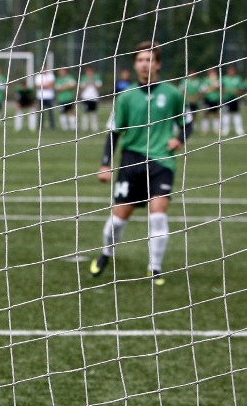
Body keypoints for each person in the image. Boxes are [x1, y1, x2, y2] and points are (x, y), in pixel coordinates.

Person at [90, 41, 193, 286]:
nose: (145, 64)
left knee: (158, 216)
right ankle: (107, 253)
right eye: (140, 60)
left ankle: (154, 268)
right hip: (131, 162)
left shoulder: (172, 94)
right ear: (135, 65)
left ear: (158, 64)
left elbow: (188, 121)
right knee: (117, 220)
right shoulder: (125, 97)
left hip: (162, 163)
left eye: (149, 60)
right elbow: (114, 133)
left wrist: (178, 139)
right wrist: (106, 164)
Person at [221, 66, 244, 137]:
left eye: (232, 71)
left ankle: (239, 130)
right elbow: (221, 88)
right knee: (226, 114)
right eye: (230, 71)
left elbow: (241, 89)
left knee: (236, 113)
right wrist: (225, 91)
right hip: (226, 99)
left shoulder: (238, 78)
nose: (231, 72)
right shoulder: (224, 78)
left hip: (235, 99)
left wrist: (235, 91)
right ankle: (225, 130)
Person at [79, 66, 103, 132]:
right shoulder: (84, 78)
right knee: (85, 113)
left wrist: (92, 81)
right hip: (86, 98)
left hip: (94, 98)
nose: (89, 73)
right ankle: (84, 128)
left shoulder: (96, 77)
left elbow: (98, 87)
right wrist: (87, 82)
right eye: (87, 71)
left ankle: (95, 128)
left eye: (90, 71)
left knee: (94, 113)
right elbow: (82, 88)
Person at [200, 68, 221, 135]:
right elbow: (204, 90)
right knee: (206, 114)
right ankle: (204, 129)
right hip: (207, 99)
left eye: (213, 72)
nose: (212, 74)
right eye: (211, 72)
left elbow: (218, 88)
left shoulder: (217, 80)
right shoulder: (205, 80)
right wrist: (212, 87)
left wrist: (210, 88)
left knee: (216, 114)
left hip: (215, 99)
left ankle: (216, 129)